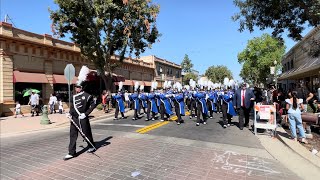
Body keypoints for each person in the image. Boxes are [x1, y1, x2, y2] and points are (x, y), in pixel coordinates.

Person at [64, 66, 97, 161]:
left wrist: (86, 114)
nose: (76, 88)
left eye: (77, 87)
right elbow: (72, 107)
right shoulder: (73, 96)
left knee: (86, 133)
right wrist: (69, 113)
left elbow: (93, 105)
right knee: (73, 135)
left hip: (82, 118)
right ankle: (71, 152)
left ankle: (92, 145)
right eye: (75, 87)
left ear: (81, 88)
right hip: (74, 118)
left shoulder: (87, 96)